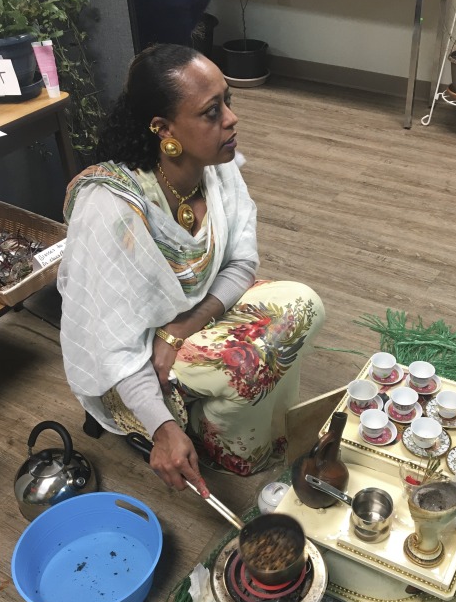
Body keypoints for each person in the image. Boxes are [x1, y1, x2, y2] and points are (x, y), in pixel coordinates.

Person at [58, 44, 324, 496]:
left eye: (228, 101)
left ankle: (258, 426)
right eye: (211, 111)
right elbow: (113, 347)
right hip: (132, 363)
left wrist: (179, 329)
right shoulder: (112, 208)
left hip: (181, 327)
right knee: (243, 364)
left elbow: (242, 262)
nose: (231, 119)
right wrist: (162, 429)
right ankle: (226, 450)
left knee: (306, 306)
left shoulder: (214, 166)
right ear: (163, 129)